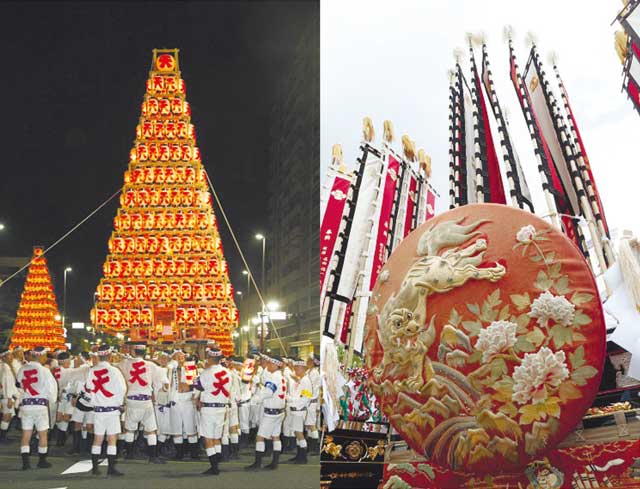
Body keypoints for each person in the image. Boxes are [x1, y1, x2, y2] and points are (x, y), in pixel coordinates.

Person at [120, 343, 168, 464]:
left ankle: (129, 454)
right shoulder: (151, 365)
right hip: (145, 400)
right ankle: (152, 456)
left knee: (130, 429)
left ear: (133, 352)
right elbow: (163, 380)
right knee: (151, 430)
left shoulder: (125, 364)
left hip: (131, 399)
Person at [84, 344, 127, 476]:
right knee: (112, 439)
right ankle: (111, 468)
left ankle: (95, 468)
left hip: (98, 410)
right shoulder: (115, 371)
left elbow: (88, 389)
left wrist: (94, 401)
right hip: (112, 410)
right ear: (110, 356)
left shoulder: (92, 370)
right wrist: (120, 404)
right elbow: (122, 389)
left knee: (98, 439)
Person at [15, 346, 57, 470]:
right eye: (44, 356)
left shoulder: (22, 369)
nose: (45, 358)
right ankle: (42, 461)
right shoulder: (45, 371)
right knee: (43, 434)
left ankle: (25, 463)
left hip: (26, 405)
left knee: (26, 433)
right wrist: (52, 400)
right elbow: (51, 390)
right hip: (40, 405)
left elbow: (18, 385)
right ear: (40, 356)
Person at [194, 347, 233, 475]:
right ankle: (216, 463)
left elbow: (197, 386)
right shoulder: (228, 372)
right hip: (222, 408)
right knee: (217, 438)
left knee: (208, 438)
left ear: (210, 358)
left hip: (209, 408)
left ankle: (214, 466)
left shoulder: (206, 373)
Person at [245, 355, 287, 471]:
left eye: (269, 363)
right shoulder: (281, 377)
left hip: (271, 413)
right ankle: (275, 463)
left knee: (260, 437)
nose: (268, 365)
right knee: (275, 436)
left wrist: (255, 399)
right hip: (279, 412)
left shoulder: (274, 377)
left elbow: (268, 392)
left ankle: (257, 463)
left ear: (275, 365)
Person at [166, 349, 199, 460]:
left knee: (190, 427)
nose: (179, 358)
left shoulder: (190, 367)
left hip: (187, 401)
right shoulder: (170, 369)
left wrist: (189, 388)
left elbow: (197, 385)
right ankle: (179, 453)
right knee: (176, 428)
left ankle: (194, 453)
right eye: (176, 356)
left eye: (181, 356)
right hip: (174, 401)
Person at [286, 358, 312, 464]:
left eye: (297, 368)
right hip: (294, 409)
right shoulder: (300, 380)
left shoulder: (306, 381)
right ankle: (299, 454)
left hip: (299, 410)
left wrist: (291, 400)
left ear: (302, 368)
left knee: (299, 433)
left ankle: (303, 456)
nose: (295, 370)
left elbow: (306, 398)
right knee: (297, 433)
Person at [0, 350, 18, 441]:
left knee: (8, 415)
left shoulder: (3, 366)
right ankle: (2, 436)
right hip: (7, 396)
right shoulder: (6, 367)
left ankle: (3, 435)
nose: (11, 357)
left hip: (5, 395)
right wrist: (9, 398)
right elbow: (7, 383)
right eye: (9, 355)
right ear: (4, 357)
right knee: (7, 416)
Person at [305, 355, 321, 454]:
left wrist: (302, 393)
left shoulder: (315, 373)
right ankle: (310, 444)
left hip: (311, 401)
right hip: (307, 401)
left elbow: (309, 389)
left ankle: (315, 447)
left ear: (312, 362)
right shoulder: (308, 372)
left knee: (311, 424)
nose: (306, 362)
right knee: (308, 425)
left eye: (308, 361)